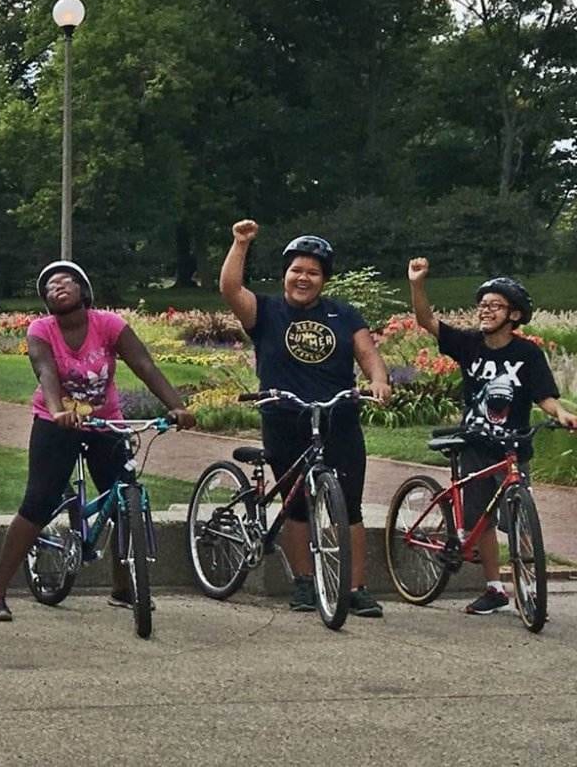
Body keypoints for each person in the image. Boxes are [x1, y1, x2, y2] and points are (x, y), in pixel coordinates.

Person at [0, 262, 194, 621]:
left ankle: (123, 588)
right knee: (38, 502)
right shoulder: (41, 329)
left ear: (84, 291)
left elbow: (144, 364)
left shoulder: (108, 325)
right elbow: (45, 370)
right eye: (50, 286)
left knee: (124, 498)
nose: (57, 287)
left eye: (66, 282)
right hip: (56, 422)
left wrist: (177, 407)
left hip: (105, 421)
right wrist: (57, 410)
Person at [219, 222, 391, 618]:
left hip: (337, 418)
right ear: (285, 274)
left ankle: (356, 588)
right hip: (285, 417)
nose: (303, 278)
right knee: (295, 504)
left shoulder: (343, 315)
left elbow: (368, 354)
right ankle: (303, 582)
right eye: (296, 270)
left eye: (313, 272)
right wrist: (241, 244)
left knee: (349, 505)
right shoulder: (266, 311)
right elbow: (230, 289)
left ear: (324, 279)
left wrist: (378, 381)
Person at [407, 262, 577, 615]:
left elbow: (544, 395)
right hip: (474, 445)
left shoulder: (527, 354)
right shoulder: (469, 344)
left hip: (513, 446)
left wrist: (560, 414)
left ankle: (528, 588)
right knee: (480, 519)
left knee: (520, 518)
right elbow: (426, 321)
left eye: (495, 305)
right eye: (482, 305)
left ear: (514, 315)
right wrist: (417, 284)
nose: (485, 311)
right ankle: (494, 588)